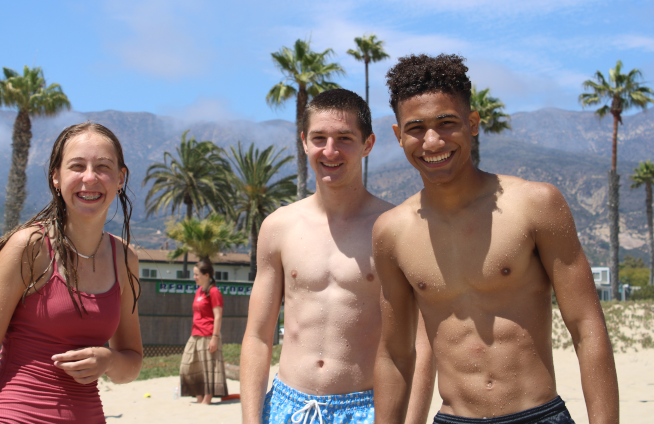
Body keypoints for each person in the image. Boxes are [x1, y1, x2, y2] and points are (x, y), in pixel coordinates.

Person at [374, 54, 619, 424]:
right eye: (416, 128)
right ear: (398, 135)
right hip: (453, 417)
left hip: (537, 415)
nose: (433, 140)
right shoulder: (391, 231)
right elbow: (395, 354)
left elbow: (587, 326)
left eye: (447, 123)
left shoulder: (536, 204)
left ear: (472, 123)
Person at [241, 88, 434, 424]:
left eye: (344, 138)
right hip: (286, 408)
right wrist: (250, 420)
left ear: (368, 145)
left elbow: (422, 345)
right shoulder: (279, 227)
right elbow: (258, 337)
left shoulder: (398, 229)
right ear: (304, 142)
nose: (330, 151)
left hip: (366, 409)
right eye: (319, 138)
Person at [0, 123, 143, 423]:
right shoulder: (28, 248)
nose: (90, 178)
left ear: (121, 178)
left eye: (103, 167)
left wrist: (107, 360)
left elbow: (131, 363)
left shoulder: (124, 259)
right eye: (77, 166)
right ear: (56, 177)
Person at [180, 260, 229, 404]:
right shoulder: (199, 291)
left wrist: (215, 338)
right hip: (195, 334)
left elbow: (218, 315)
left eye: (196, 274)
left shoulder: (214, 292)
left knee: (209, 368)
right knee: (188, 365)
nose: (194, 277)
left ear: (206, 275)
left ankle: (207, 399)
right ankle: (198, 397)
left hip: (208, 334)